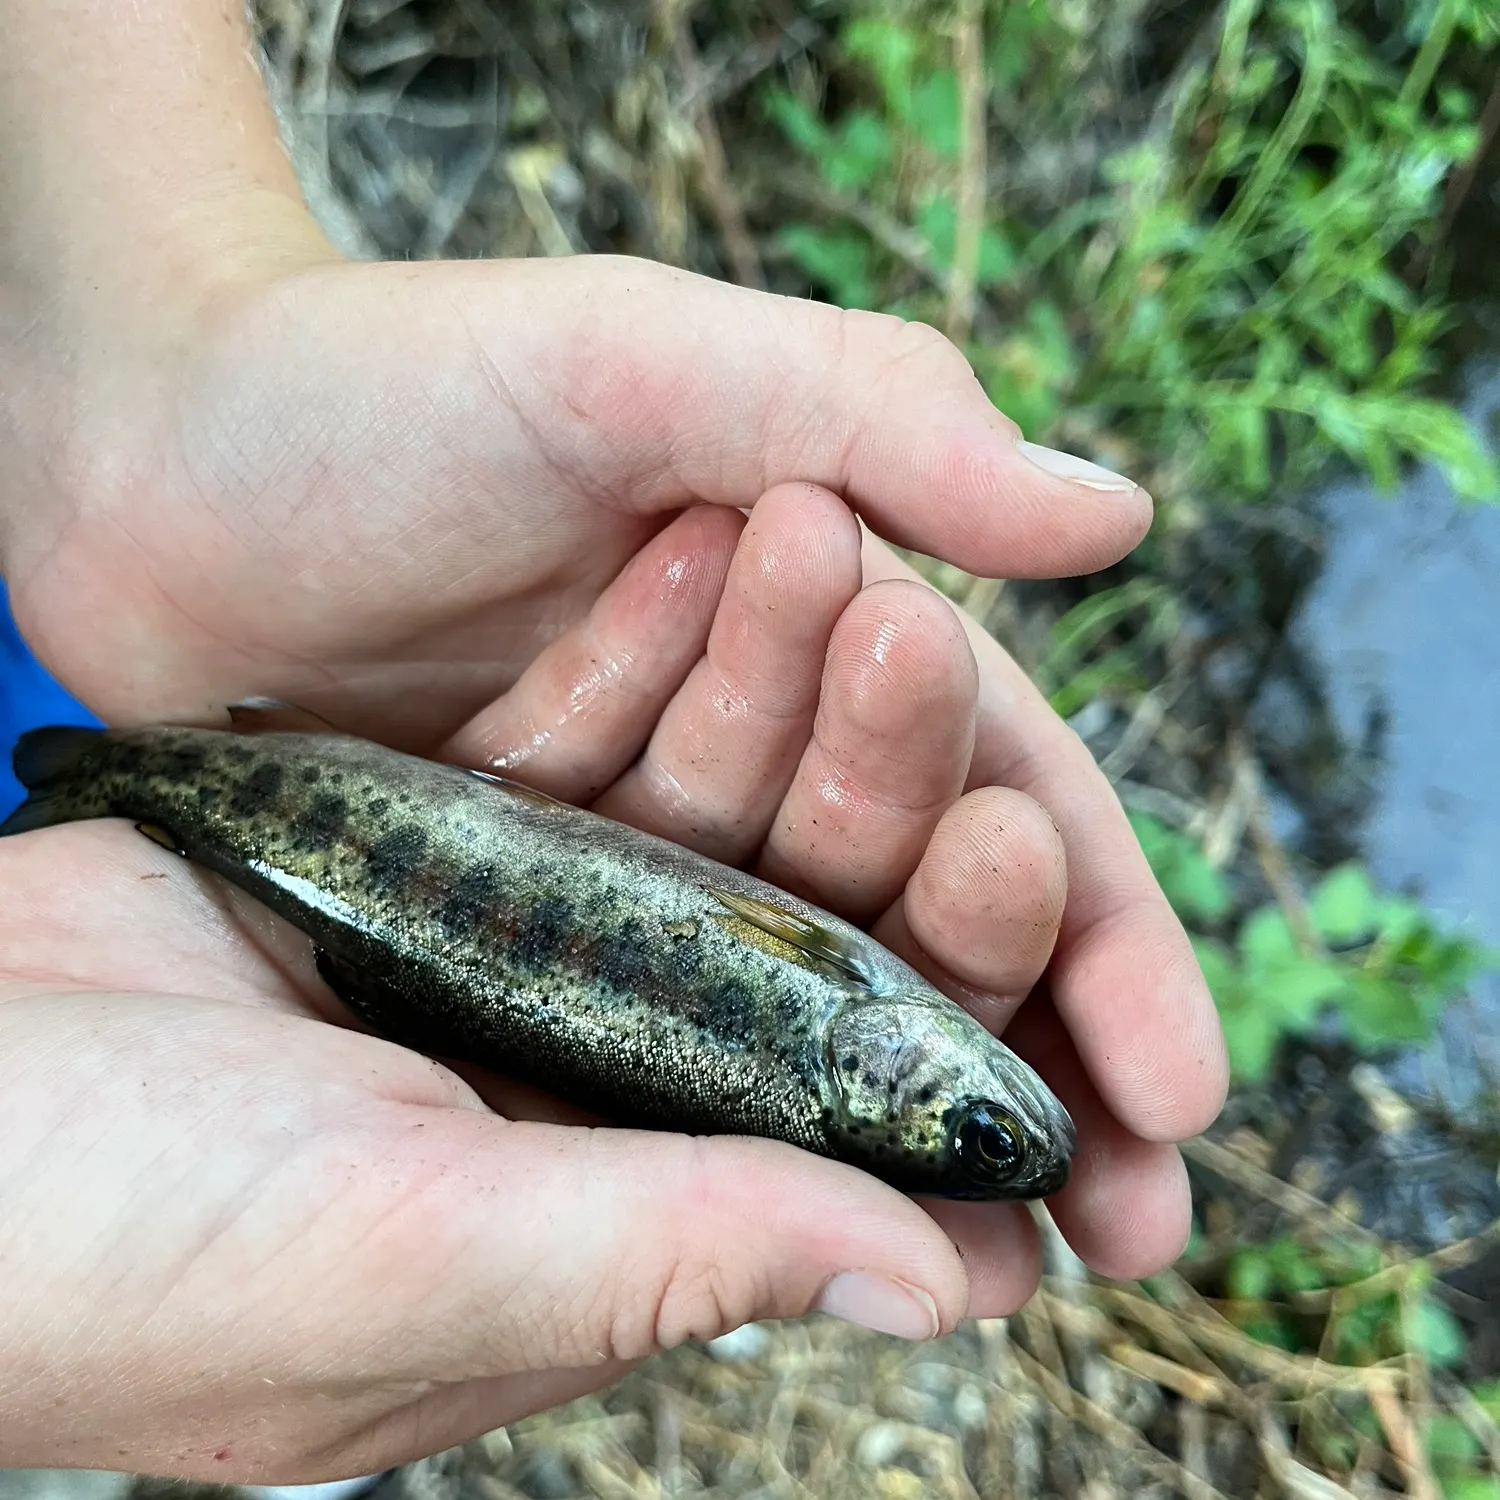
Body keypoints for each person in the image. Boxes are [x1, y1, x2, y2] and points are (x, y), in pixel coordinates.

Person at [0, 0, 1228, 1485]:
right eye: (971, 1131)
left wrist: (161, 350)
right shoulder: (857, 1015)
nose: (996, 1120)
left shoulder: (838, 1013)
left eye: (971, 1132)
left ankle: (108, 778)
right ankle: (106, 779)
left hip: (111, 614)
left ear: (878, 1079)